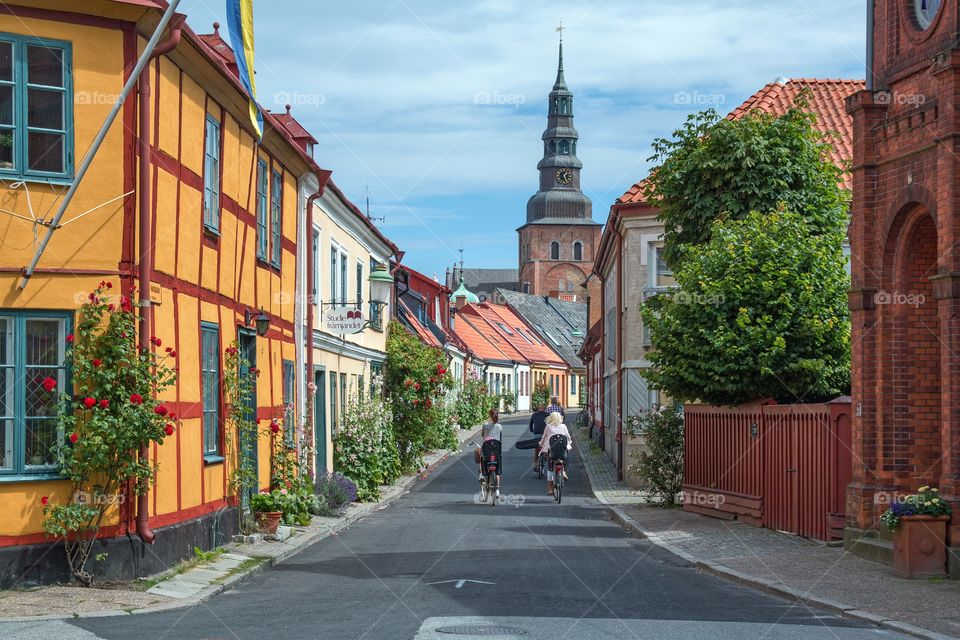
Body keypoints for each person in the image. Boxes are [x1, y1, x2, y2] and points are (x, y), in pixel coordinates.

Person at [539, 411, 572, 495]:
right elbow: (567, 436)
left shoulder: (548, 426)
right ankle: (564, 471)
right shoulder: (563, 426)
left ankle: (550, 489)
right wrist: (569, 442)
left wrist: (541, 444)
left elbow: (544, 437)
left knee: (550, 467)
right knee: (565, 456)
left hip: (551, 449)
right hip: (562, 447)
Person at [479, 408, 503, 498]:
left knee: (482, 459)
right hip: (496, 450)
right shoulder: (500, 427)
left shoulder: (485, 426)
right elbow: (500, 439)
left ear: (489, 415)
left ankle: (483, 476)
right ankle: (497, 490)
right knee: (497, 471)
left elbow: (482, 435)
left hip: (487, 449)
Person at [528, 404, 549, 472]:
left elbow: (531, 423)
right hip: (545, 434)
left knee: (536, 449)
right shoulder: (548, 415)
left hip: (536, 433)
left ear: (538, 409)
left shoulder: (534, 414)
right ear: (545, 409)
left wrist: (532, 430)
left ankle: (535, 464)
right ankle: (545, 456)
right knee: (547, 446)